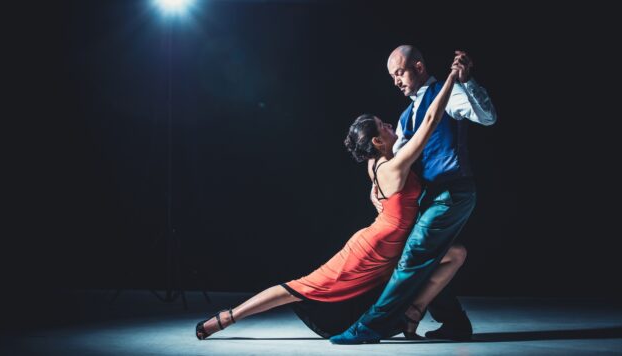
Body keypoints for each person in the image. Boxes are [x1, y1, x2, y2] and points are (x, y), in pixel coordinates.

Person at [195, 64, 464, 341]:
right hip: (372, 250)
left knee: (455, 254)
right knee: (302, 287)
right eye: (384, 126)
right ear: (376, 140)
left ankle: (413, 313)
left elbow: (376, 194)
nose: (389, 125)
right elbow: (431, 120)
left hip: (393, 242)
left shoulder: (374, 162)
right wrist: (452, 79)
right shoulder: (395, 167)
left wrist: (382, 205)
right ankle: (228, 317)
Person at [330, 46, 497, 344]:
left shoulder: (449, 93)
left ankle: (371, 326)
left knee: (414, 256)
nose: (395, 81)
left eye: (399, 72)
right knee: (428, 257)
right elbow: (393, 157)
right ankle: (454, 322)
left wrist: (467, 82)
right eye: (391, 76)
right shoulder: (406, 116)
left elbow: (487, 117)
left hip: (452, 190)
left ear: (418, 67)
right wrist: (375, 184)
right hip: (429, 197)